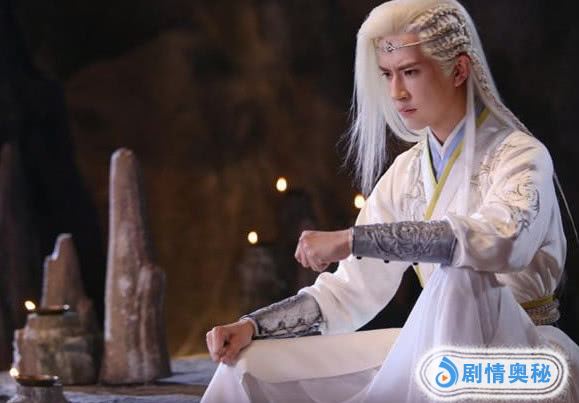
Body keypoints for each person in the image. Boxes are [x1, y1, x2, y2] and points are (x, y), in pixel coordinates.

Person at [202, 0, 579, 401]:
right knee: (251, 365)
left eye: (410, 72)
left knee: (461, 274)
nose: (396, 92)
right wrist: (254, 326)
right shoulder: (407, 172)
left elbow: (500, 241)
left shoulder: (522, 156)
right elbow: (349, 291)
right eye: (387, 74)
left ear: (459, 70)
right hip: (439, 350)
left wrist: (352, 239)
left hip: (521, 358)